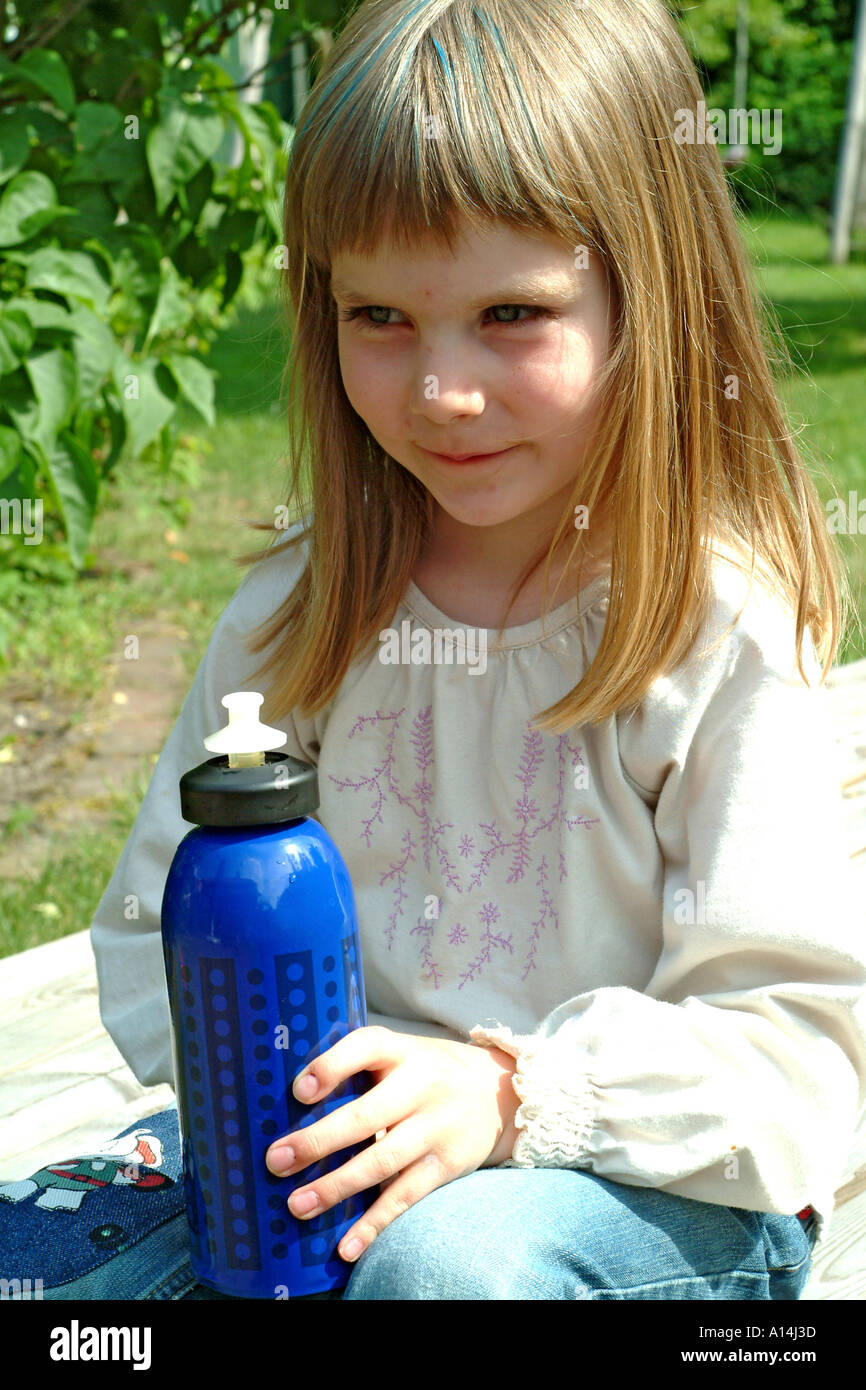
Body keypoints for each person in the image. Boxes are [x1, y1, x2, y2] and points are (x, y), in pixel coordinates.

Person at [5, 0, 864, 1301]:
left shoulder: (709, 624)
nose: (439, 392)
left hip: (648, 1186)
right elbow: (146, 925)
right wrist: (293, 1107)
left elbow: (800, 1051)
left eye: (511, 313)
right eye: (381, 318)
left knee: (440, 1270)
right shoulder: (302, 611)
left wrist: (512, 1094)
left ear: (653, 297)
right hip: (334, 1160)